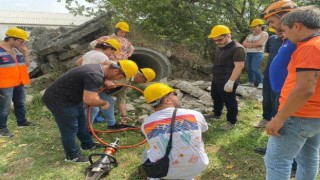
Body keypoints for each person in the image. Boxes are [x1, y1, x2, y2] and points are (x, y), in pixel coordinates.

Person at [42, 60, 138, 162]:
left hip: (71, 98)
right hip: (58, 99)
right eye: (121, 77)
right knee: (70, 127)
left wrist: (105, 81)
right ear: (115, 71)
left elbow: (105, 65)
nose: (119, 79)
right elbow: (89, 99)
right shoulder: (94, 75)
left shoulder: (98, 70)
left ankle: (87, 144)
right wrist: (103, 103)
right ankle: (72, 156)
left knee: (82, 122)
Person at [265, 5, 320, 180]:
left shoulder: (310, 47)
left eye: (286, 30)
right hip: (315, 115)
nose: (285, 35)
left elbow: (305, 89)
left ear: (297, 26)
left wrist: (279, 118)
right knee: (308, 158)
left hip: (298, 115)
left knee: (276, 161)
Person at [141, 83, 209, 179]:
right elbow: (204, 130)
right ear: (167, 100)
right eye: (174, 94)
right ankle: (188, 176)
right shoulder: (195, 114)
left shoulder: (146, 124)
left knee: (146, 153)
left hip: (165, 172)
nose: (177, 96)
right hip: (198, 167)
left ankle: (153, 177)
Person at [89, 67, 156, 129]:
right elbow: (104, 73)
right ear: (142, 76)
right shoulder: (126, 76)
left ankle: (109, 125)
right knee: (104, 104)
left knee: (97, 108)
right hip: (93, 89)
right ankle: (107, 126)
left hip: (99, 91)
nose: (141, 83)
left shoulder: (128, 83)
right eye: (144, 81)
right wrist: (105, 80)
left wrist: (124, 116)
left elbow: (121, 98)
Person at [207, 25, 245, 130]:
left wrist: (231, 82)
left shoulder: (238, 48)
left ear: (228, 35)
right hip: (217, 78)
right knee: (216, 96)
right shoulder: (222, 47)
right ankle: (216, 114)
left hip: (228, 79)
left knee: (229, 100)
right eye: (215, 40)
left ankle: (231, 121)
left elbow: (239, 66)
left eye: (220, 39)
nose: (217, 42)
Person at [0, 27, 32, 138]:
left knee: (20, 103)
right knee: (4, 107)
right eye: (20, 41)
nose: (22, 43)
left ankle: (21, 122)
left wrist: (24, 53)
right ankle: (2, 129)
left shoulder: (17, 51)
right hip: (5, 84)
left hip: (19, 82)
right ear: (11, 39)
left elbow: (27, 65)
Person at [253, 29, 284, 128]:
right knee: (266, 96)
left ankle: (276, 121)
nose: (279, 31)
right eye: (277, 29)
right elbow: (267, 54)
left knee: (277, 98)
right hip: (268, 73)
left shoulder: (293, 41)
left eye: (282, 29)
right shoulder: (272, 39)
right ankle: (266, 118)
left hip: (283, 75)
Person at [242, 19, 269, 89]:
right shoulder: (249, 35)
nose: (253, 28)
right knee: (248, 68)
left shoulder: (264, 34)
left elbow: (259, 43)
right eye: (252, 27)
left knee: (254, 68)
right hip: (248, 53)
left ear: (260, 26)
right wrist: (254, 45)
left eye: (255, 26)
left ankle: (261, 82)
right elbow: (243, 44)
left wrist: (249, 44)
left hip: (258, 53)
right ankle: (251, 82)